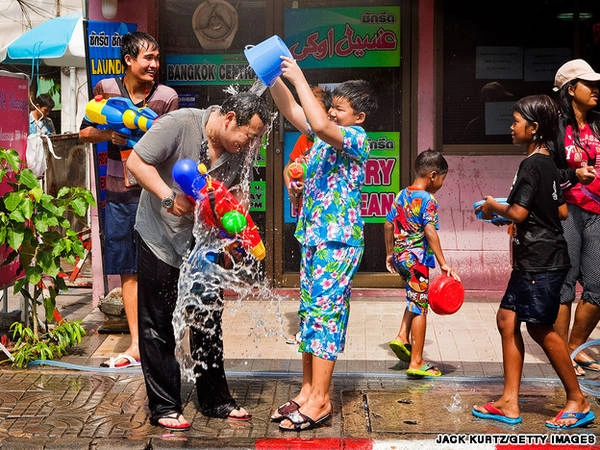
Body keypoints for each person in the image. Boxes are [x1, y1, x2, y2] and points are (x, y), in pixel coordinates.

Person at [126, 92, 269, 431]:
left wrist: (235, 234)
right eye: (248, 136)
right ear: (230, 118)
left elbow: (229, 198)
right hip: (159, 236)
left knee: (207, 319)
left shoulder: (237, 153)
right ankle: (164, 406)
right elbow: (135, 162)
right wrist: (167, 197)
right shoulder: (180, 124)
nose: (249, 145)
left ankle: (215, 400)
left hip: (201, 242)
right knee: (157, 324)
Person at [268, 57, 378, 431]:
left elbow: (315, 119)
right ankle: (306, 391)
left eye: (340, 109)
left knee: (327, 316)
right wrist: (272, 77)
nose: (332, 112)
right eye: (332, 106)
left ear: (359, 117)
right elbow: (292, 109)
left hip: (339, 240)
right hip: (314, 236)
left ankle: (321, 400)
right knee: (310, 315)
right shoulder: (321, 138)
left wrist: (298, 76)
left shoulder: (357, 139)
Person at [473, 94, 594, 429]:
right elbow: (561, 210)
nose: (510, 127)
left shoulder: (532, 165)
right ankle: (509, 401)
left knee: (540, 327)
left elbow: (519, 212)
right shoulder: (549, 164)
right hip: (537, 257)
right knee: (507, 320)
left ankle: (578, 399)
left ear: (534, 127)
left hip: (541, 261)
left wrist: (491, 207)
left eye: (515, 122)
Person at [79, 31, 179, 369]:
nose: (154, 64)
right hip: (120, 195)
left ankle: (160, 338)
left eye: (157, 58)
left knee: (160, 267)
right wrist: (111, 134)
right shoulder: (106, 89)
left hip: (153, 195)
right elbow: (84, 132)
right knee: (129, 271)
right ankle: (137, 345)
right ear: (128, 60)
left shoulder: (166, 96)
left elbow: (170, 145)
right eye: (147, 58)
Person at [384, 149, 460, 377]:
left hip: (401, 258)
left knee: (415, 297)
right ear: (433, 176)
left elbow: (388, 225)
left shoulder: (400, 195)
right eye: (442, 180)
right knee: (421, 308)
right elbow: (430, 231)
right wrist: (443, 263)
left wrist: (389, 253)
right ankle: (416, 361)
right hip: (417, 261)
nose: (441, 185)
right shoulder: (427, 199)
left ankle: (401, 336)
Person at [550, 59, 600, 376]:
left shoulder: (598, 124)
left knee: (597, 286)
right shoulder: (555, 126)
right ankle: (561, 356)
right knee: (565, 286)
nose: (596, 89)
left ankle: (573, 347)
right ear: (571, 89)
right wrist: (573, 173)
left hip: (597, 212)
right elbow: (545, 170)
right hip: (566, 211)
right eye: (588, 84)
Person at [283, 85, 332, 214]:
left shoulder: (334, 140)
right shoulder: (304, 139)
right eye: (308, 112)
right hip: (305, 211)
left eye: (316, 111)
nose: (311, 116)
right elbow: (288, 168)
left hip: (326, 212)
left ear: (329, 114)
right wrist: (293, 191)